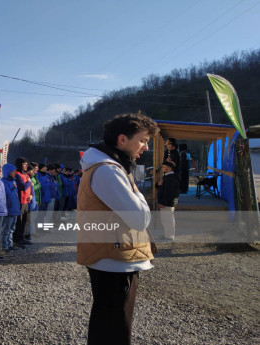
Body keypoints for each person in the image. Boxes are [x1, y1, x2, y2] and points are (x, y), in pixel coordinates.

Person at [77, 112, 159, 345]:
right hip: (114, 258)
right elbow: (140, 219)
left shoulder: (111, 167)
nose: (145, 147)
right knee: (115, 325)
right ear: (122, 140)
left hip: (113, 254)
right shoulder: (109, 170)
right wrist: (139, 194)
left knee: (109, 320)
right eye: (142, 140)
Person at [156, 161, 180, 241]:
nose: (162, 168)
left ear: (169, 168)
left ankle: (169, 236)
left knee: (168, 220)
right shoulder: (167, 177)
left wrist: (163, 203)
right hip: (166, 203)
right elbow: (162, 188)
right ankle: (167, 234)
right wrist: (158, 184)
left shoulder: (171, 178)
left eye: (163, 166)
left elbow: (169, 193)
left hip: (167, 203)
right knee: (165, 220)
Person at [1, 163, 21, 252]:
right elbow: (7, 195)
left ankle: (10, 244)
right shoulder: (4, 182)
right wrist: (14, 188)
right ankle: (5, 246)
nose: (15, 173)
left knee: (12, 229)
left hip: (15, 208)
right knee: (6, 229)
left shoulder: (13, 181)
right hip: (9, 209)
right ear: (8, 172)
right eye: (13, 171)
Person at [13, 157, 33, 247]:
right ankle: (17, 240)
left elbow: (30, 187)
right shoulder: (17, 174)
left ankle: (22, 238)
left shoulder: (25, 174)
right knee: (19, 222)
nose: (26, 166)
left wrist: (31, 194)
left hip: (26, 200)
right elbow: (23, 186)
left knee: (24, 220)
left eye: (26, 164)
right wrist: (29, 182)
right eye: (24, 164)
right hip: (20, 201)